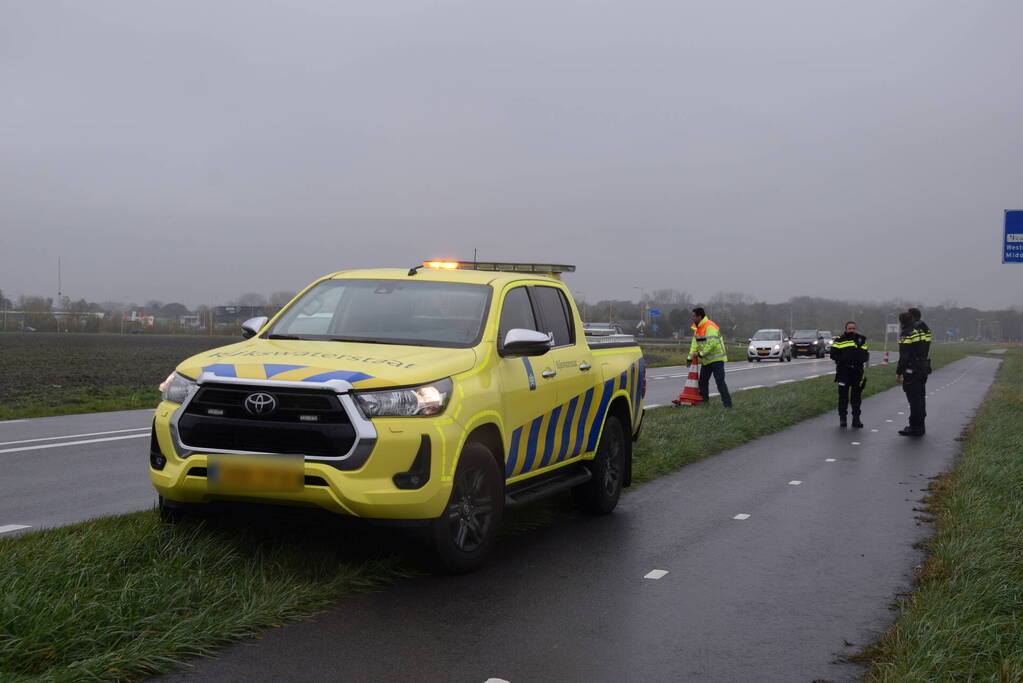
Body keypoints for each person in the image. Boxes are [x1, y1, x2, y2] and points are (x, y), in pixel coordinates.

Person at [688, 307, 732, 407]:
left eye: (694, 316)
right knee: (702, 381)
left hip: (717, 359)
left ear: (699, 317)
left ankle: (727, 404)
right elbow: (694, 344)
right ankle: (704, 401)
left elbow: (711, 343)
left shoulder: (710, 326)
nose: (692, 318)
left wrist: (700, 354)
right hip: (707, 360)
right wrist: (689, 358)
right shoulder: (697, 328)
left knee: (720, 382)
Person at [896, 310, 930, 436]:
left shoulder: (906, 334)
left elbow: (904, 356)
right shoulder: (920, 331)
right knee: (921, 398)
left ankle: (914, 427)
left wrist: (899, 372)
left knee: (913, 400)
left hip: (912, 371)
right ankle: (921, 426)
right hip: (923, 367)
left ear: (901, 322)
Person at [829, 320, 869, 428]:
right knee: (843, 397)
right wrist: (844, 360)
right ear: (845, 329)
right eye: (849, 328)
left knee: (856, 397)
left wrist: (859, 359)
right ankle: (843, 419)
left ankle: (856, 420)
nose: (852, 330)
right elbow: (833, 354)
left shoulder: (861, 339)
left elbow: (866, 355)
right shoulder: (839, 340)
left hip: (857, 371)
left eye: (853, 328)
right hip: (844, 371)